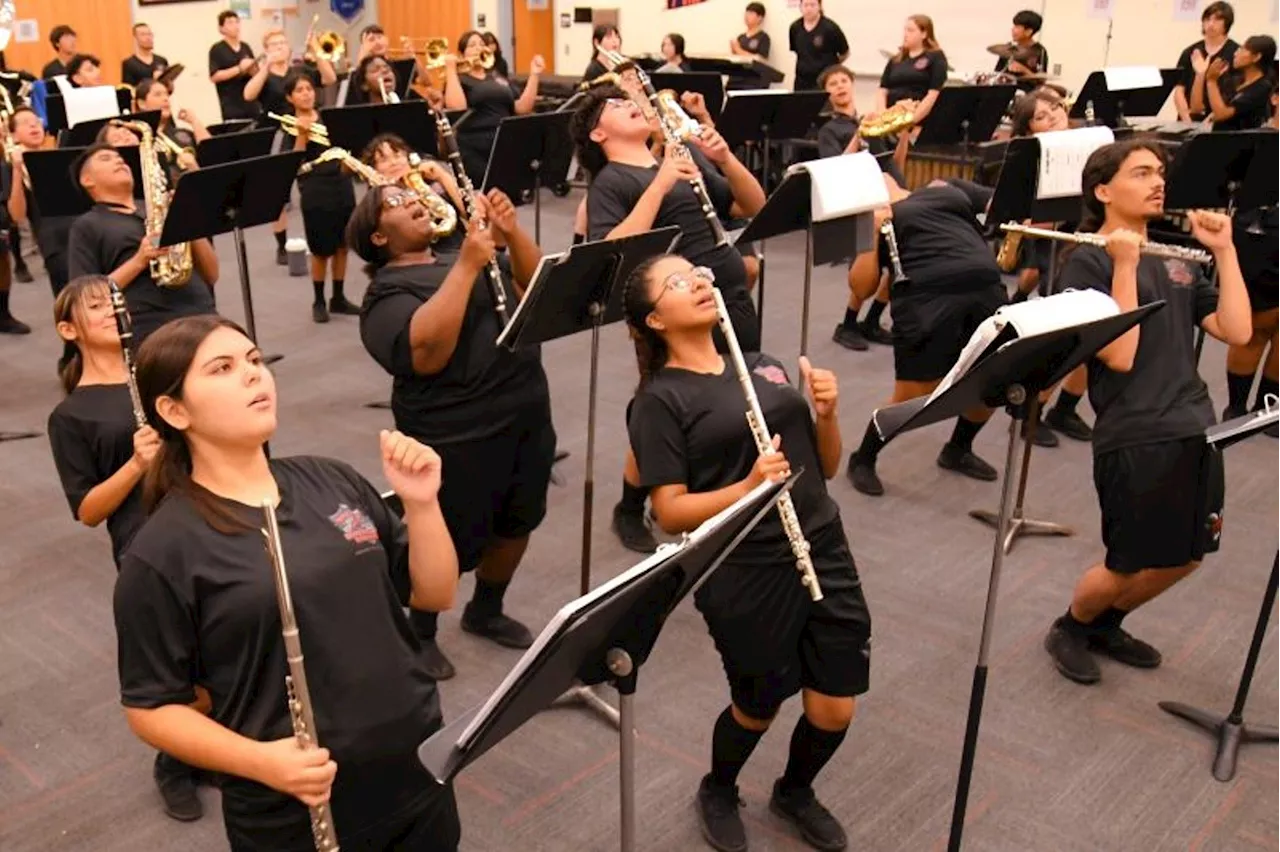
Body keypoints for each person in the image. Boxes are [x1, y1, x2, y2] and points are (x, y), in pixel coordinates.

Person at [114, 314, 463, 850]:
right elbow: (150, 706)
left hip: (415, 760)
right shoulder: (161, 552)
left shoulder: (331, 478)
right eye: (223, 368)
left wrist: (422, 504)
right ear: (173, 410)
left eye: (255, 360)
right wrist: (261, 761)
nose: (254, 375)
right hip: (295, 802)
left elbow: (433, 593)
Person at [623, 253, 870, 852]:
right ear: (655, 321)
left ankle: (795, 790)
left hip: (820, 540)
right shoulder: (659, 399)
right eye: (678, 283)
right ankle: (719, 785)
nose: (701, 283)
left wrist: (829, 414)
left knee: (836, 706)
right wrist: (747, 488)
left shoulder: (764, 366)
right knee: (757, 704)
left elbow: (826, 467)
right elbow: (670, 511)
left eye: (698, 274)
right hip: (742, 563)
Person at [1042, 139, 1251, 685]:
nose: (1158, 181)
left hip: (1194, 425)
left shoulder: (1178, 261)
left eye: (1159, 172)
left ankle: (1107, 623)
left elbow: (1238, 331)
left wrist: (1225, 252)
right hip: (1134, 434)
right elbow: (1119, 354)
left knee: (1188, 555)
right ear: (1104, 190)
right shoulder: (1085, 260)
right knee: (1126, 564)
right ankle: (1072, 625)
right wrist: (1125, 265)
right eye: (1141, 173)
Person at [349, 184, 552, 682]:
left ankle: (486, 608)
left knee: (518, 521)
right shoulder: (385, 296)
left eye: (409, 194)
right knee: (445, 536)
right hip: (457, 430)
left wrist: (511, 233)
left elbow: (536, 289)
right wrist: (465, 267)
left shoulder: (464, 252)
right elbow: (428, 353)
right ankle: (420, 630)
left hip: (523, 410)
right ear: (378, 237)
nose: (412, 200)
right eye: (393, 204)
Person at [571, 84, 766, 553]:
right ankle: (630, 504)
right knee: (664, 415)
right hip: (670, 315)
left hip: (727, 296)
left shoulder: (681, 159)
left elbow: (752, 207)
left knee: (735, 399)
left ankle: (730, 495)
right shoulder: (612, 182)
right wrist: (659, 185)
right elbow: (612, 252)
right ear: (599, 133)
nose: (632, 105)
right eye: (616, 106)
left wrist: (723, 159)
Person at [46, 275, 205, 821]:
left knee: (224, 638)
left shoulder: (157, 377)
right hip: (147, 545)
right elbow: (87, 510)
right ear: (69, 330)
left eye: (117, 302)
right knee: (173, 657)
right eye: (97, 307)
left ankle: (213, 742)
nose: (115, 311)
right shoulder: (71, 417)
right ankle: (174, 761)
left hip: (205, 519)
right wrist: (136, 465)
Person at [844, 174, 1005, 497]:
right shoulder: (873, 217)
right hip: (926, 298)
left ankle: (958, 449)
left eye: (882, 171)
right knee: (915, 396)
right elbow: (861, 287)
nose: (878, 175)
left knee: (994, 380)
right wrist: (873, 229)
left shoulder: (943, 189)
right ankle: (863, 458)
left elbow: (997, 203)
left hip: (986, 288)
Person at [1003, 87, 1093, 443]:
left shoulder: (1089, 147)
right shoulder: (1031, 163)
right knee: (1066, 340)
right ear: (1029, 131)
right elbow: (1028, 223)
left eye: (1054, 107)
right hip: (1057, 248)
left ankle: (1066, 409)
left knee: (1099, 335)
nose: (1053, 115)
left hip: (1091, 245)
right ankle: (1029, 412)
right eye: (1040, 116)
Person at [67, 143, 219, 343]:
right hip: (151, 327)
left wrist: (185, 216)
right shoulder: (87, 225)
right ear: (87, 180)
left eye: (119, 157)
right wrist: (139, 261)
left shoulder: (159, 208)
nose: (118, 160)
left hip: (203, 313)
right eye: (106, 159)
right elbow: (86, 296)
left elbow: (212, 274)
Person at [817, 65, 898, 353]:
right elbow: (833, 169)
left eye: (843, 80)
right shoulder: (829, 130)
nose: (840, 86)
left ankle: (873, 320)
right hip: (857, 199)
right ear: (826, 93)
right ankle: (848, 323)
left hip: (887, 194)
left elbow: (891, 161)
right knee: (870, 268)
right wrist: (858, 135)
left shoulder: (870, 122)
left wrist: (903, 132)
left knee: (899, 263)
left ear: (852, 84)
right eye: (833, 83)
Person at [1223, 82, 1280, 430]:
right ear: (1275, 98)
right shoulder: (1255, 140)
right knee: (1258, 325)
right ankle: (1236, 407)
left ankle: (1268, 408)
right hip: (1259, 236)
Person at [282, 71, 357, 323]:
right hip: (315, 189)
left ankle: (338, 297)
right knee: (321, 249)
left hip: (341, 183)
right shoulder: (288, 125)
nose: (306, 93)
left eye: (309, 89)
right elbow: (291, 163)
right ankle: (319, 300)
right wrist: (302, 135)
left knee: (343, 245)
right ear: (290, 97)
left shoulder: (328, 117)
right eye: (300, 90)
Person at [440, 30, 544, 185]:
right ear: (462, 54)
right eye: (472, 45)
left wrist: (534, 75)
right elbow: (457, 107)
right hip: (475, 144)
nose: (478, 48)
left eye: (482, 44)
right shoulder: (460, 79)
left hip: (503, 140)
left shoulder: (496, 77)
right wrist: (451, 69)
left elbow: (522, 107)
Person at [5, 106, 74, 302]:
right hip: (54, 242)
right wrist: (18, 170)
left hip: (81, 229)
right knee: (70, 299)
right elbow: (17, 215)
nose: (34, 125)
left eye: (36, 121)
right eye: (25, 123)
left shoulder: (60, 155)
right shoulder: (11, 168)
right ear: (14, 134)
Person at [875, 15, 947, 127]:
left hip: (916, 120)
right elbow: (882, 90)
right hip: (891, 118)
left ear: (924, 34)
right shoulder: (896, 59)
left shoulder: (935, 57)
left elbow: (933, 94)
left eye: (911, 30)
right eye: (905, 30)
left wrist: (911, 121)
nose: (905, 34)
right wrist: (883, 116)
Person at [1173, 1, 1237, 123]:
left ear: (1227, 23)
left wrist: (1212, 119)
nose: (1211, 24)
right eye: (1207, 20)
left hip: (1220, 120)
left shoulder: (1235, 53)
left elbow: (1234, 94)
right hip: (1189, 119)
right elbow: (1179, 90)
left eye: (1217, 20)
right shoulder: (1190, 51)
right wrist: (1186, 119)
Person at [135, 79, 209, 183]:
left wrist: (194, 121)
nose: (165, 98)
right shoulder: (139, 140)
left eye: (166, 94)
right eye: (158, 95)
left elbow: (212, 154)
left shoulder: (183, 133)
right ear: (142, 103)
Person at [1205, 35, 1276, 132]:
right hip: (1218, 137)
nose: (1235, 53)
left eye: (1242, 49)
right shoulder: (1236, 81)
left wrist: (1211, 81)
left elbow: (1221, 114)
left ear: (1256, 57)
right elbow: (1214, 112)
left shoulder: (1262, 87)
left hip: (1239, 143)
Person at [208, 11, 261, 121]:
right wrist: (239, 68)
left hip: (252, 104)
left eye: (237, 22)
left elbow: (256, 74)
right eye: (230, 23)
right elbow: (214, 76)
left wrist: (253, 68)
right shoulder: (217, 49)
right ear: (221, 28)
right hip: (231, 106)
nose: (235, 25)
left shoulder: (245, 47)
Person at [789, 0, 848, 92]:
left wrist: (831, 66)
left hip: (824, 80)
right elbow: (797, 51)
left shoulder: (830, 28)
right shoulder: (795, 27)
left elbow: (844, 53)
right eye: (806, 5)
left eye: (812, 5)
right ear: (800, 7)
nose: (809, 8)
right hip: (802, 81)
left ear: (819, 6)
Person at [995, 10, 1049, 91]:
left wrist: (1023, 70)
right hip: (1004, 91)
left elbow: (1041, 81)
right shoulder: (1008, 48)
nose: (1012, 30)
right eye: (1014, 26)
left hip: (1027, 94)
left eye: (1017, 27)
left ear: (1028, 32)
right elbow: (997, 73)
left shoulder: (1040, 51)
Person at [122, 23, 170, 89]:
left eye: (150, 34)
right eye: (143, 35)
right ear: (135, 38)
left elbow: (169, 89)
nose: (148, 38)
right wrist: (153, 81)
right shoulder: (129, 63)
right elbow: (128, 91)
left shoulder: (162, 60)